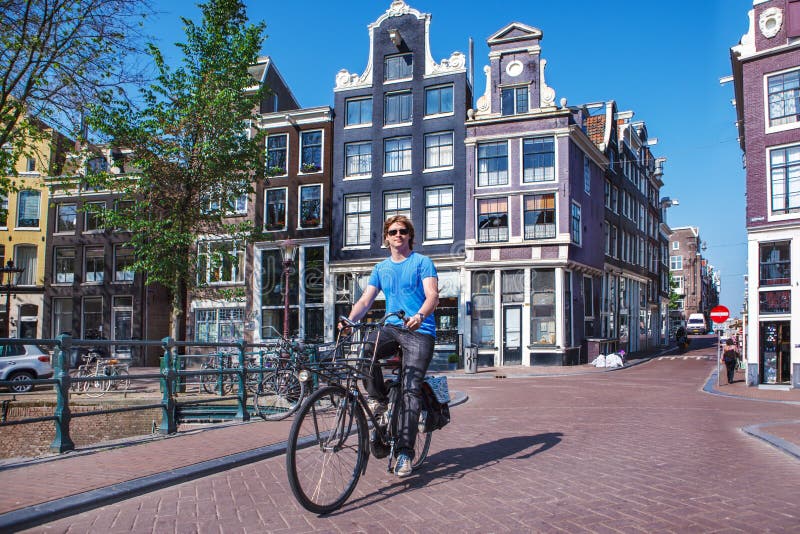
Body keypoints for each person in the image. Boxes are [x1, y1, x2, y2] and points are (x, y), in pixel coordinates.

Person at [341, 215, 439, 477]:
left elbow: (433, 296)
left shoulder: (422, 263)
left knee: (410, 390)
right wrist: (350, 320)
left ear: (410, 236)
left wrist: (420, 316)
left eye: (403, 231)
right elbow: (365, 300)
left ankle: (405, 453)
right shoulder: (381, 268)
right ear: (386, 237)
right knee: (364, 352)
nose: (398, 235)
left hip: (419, 331)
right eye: (393, 232)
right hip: (392, 327)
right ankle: (379, 401)